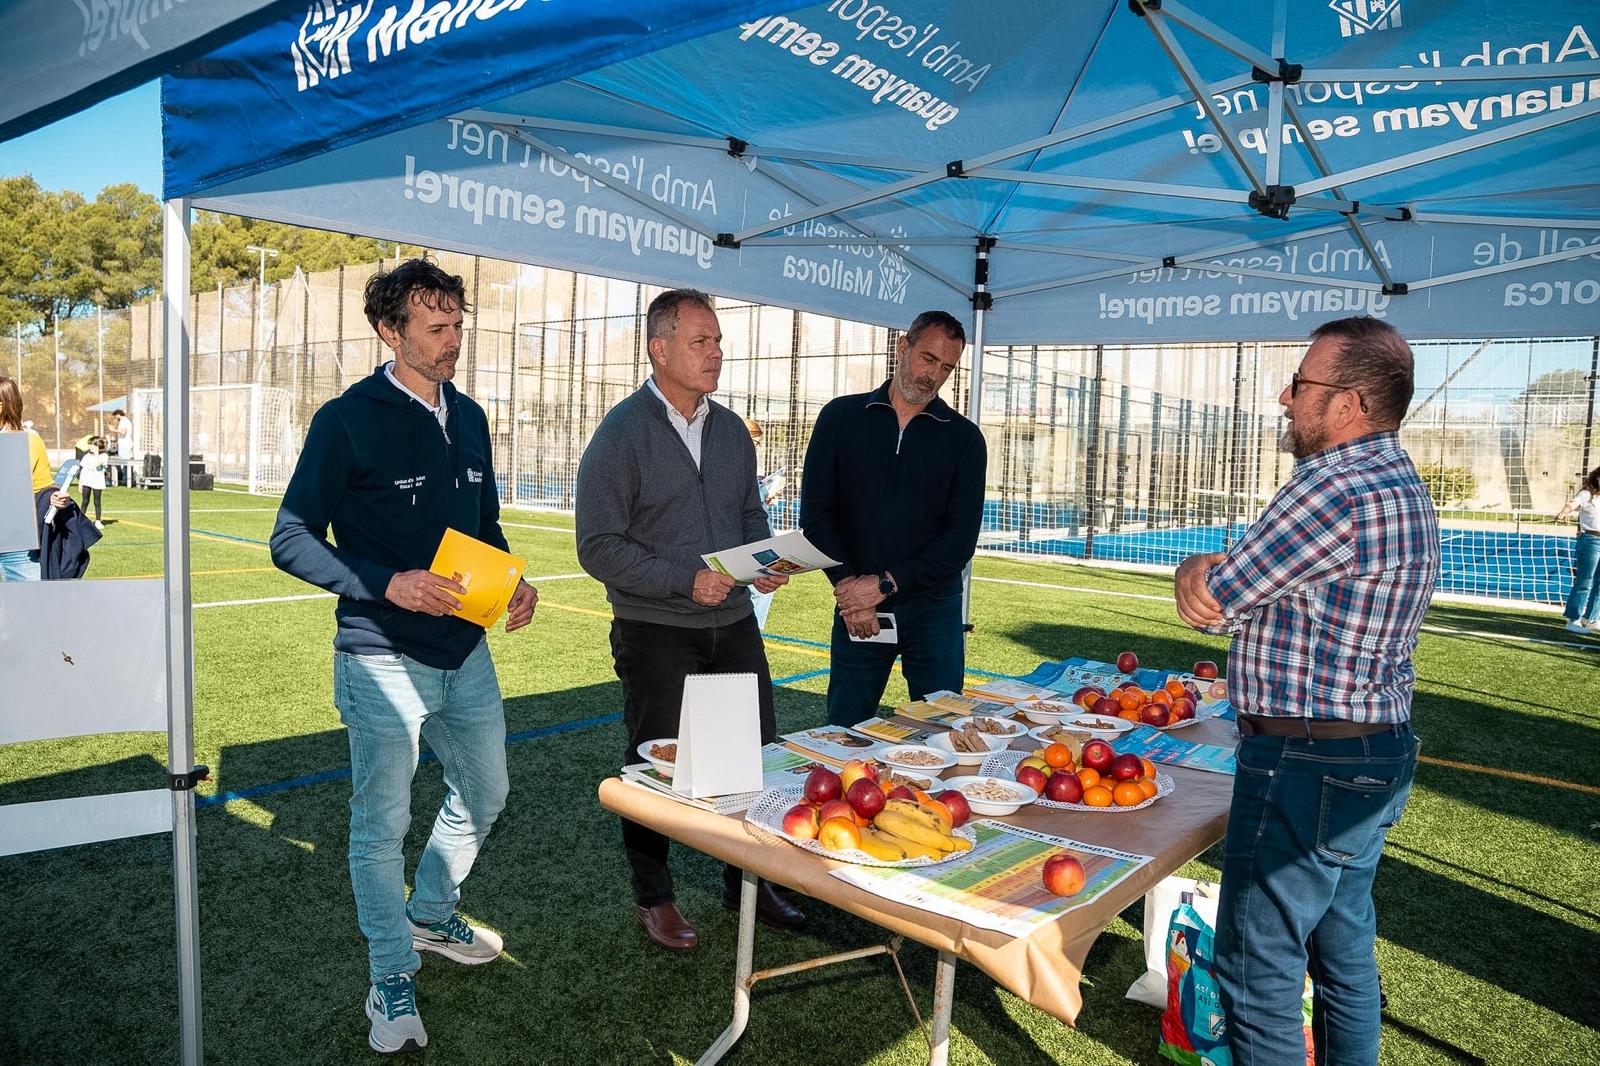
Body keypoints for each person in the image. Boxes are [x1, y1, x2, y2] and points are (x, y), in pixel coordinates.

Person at [270, 259, 537, 1055]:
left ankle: (430, 912)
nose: (454, 340)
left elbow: (485, 529)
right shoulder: (347, 419)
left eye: (458, 325)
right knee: (380, 826)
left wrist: (513, 582)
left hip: (466, 650)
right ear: (390, 331)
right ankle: (391, 973)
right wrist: (389, 584)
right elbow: (290, 537)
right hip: (380, 654)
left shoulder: (472, 417)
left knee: (487, 791)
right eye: (436, 327)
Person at [1172, 316, 1439, 1065]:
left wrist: (1193, 565)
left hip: (1306, 762)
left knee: (1257, 976)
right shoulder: (1399, 480)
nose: (1286, 398)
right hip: (1371, 752)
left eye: (1301, 384)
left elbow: (1215, 599)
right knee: (1342, 953)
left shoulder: (1332, 486)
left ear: (1349, 403)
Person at [575, 288, 802, 953]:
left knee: (752, 757)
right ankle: (655, 897)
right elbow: (597, 545)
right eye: (701, 341)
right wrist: (684, 579)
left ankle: (747, 883)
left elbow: (749, 516)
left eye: (718, 341)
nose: (716, 353)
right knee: (655, 766)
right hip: (654, 628)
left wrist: (764, 561)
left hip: (733, 620)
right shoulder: (620, 434)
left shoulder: (731, 430)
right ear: (660, 349)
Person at [799, 310, 986, 726]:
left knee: (943, 728)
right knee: (846, 729)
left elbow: (959, 540)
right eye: (927, 358)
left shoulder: (965, 439)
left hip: (934, 609)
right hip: (857, 605)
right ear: (903, 348)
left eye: (947, 367)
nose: (933, 375)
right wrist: (851, 590)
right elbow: (816, 516)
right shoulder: (840, 418)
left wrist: (884, 585)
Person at [1, 375, 70, 582]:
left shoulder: (31, 441)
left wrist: (55, 498)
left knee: (31, 601)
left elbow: (43, 488)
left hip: (17, 546)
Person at [1555, 466, 1600, 635]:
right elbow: (1573, 504)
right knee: (1584, 581)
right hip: (1590, 541)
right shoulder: (1586, 494)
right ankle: (1573, 619)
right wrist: (1563, 512)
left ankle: (1592, 619)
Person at [79, 437, 107, 529]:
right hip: (87, 481)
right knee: (85, 501)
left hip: (98, 481)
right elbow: (83, 470)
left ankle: (98, 521)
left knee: (97, 501)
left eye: (92, 445)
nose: (90, 447)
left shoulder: (104, 456)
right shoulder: (87, 456)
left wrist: (96, 454)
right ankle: (80, 519)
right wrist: (80, 483)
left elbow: (98, 465)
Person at [113, 409, 133, 486]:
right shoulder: (124, 421)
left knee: (124, 463)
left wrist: (113, 430)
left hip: (125, 445)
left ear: (118, 414)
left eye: (115, 416)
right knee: (124, 463)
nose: (115, 418)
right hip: (124, 444)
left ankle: (126, 480)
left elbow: (123, 432)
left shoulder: (124, 421)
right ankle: (126, 479)